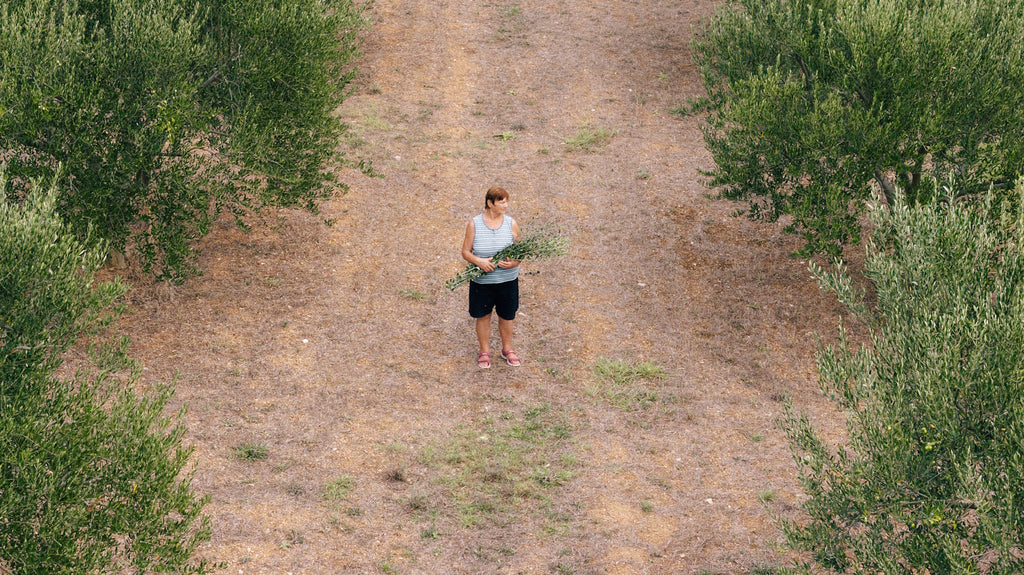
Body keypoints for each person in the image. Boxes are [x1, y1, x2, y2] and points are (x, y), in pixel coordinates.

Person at [461, 186, 522, 368]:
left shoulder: (512, 224)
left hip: (507, 282)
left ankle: (507, 350)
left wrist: (514, 263)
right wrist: (479, 262)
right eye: (501, 202)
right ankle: (484, 351)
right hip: (483, 283)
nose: (506, 205)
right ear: (490, 203)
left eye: (506, 201)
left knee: (507, 316)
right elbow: (465, 252)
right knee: (483, 316)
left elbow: (521, 253)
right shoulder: (474, 224)